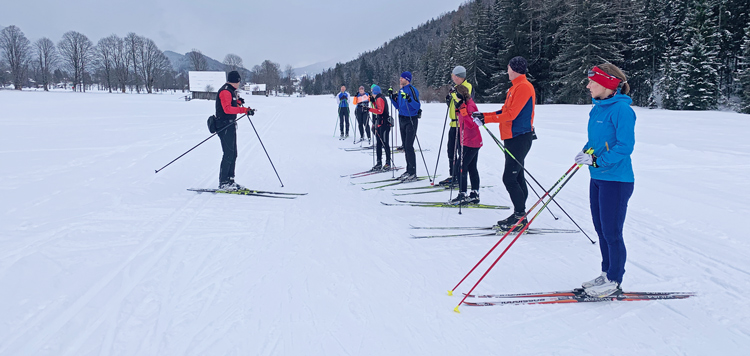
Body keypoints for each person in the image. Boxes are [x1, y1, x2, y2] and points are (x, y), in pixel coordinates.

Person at [575, 63, 636, 298]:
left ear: (607, 84)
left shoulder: (622, 110)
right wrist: (586, 153)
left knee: (612, 232)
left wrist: (598, 161)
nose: (588, 85)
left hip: (617, 180)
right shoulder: (597, 109)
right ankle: (605, 272)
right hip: (598, 177)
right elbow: (597, 141)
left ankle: (614, 279)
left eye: (592, 82)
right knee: (601, 229)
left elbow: (624, 146)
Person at [472, 56, 535, 230]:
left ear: (514, 69)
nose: (507, 71)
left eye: (508, 68)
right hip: (512, 137)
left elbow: (511, 115)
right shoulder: (515, 87)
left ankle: (519, 216)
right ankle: (520, 215)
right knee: (517, 176)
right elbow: (504, 111)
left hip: (519, 137)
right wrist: (484, 116)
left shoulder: (523, 87)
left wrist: (487, 119)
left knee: (509, 178)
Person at [215, 70, 255, 190]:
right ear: (235, 81)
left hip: (230, 125)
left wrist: (237, 102)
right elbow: (227, 109)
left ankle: (230, 180)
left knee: (233, 153)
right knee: (228, 154)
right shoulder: (225, 91)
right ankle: (223, 182)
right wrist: (244, 110)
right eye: (238, 81)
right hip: (224, 125)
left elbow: (231, 105)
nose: (239, 83)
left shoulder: (231, 91)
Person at [439, 66, 474, 187]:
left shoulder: (467, 87)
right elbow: (453, 104)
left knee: (460, 152)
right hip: (453, 123)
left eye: (453, 76)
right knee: (451, 150)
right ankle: (453, 175)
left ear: (458, 76)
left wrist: (453, 95)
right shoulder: (455, 87)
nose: (452, 78)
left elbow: (464, 102)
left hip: (462, 124)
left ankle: (460, 177)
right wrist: (448, 99)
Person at [449, 84, 482, 205]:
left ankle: (463, 194)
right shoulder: (465, 104)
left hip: (472, 142)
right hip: (467, 140)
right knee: (471, 167)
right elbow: (462, 119)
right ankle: (474, 194)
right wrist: (458, 109)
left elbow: (472, 124)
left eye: (456, 96)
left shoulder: (470, 105)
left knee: (460, 167)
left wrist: (462, 110)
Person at [390, 71, 421, 182]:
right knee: (405, 146)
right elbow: (398, 106)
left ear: (407, 79)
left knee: (409, 146)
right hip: (402, 118)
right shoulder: (401, 90)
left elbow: (417, 106)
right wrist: (392, 98)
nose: (400, 79)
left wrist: (409, 99)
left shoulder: (412, 90)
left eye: (402, 78)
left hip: (411, 119)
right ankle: (408, 170)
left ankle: (413, 172)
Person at [368, 85, 391, 170]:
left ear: (374, 92)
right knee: (378, 144)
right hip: (379, 124)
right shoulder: (377, 98)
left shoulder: (380, 98)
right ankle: (379, 163)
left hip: (384, 124)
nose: (371, 93)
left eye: (372, 92)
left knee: (385, 143)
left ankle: (388, 163)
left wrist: (369, 109)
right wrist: (373, 102)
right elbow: (377, 108)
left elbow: (380, 111)